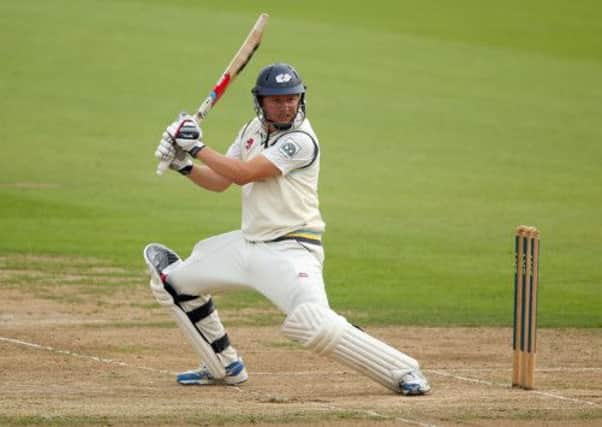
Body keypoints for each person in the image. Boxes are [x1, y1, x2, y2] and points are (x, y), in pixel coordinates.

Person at [144, 63, 431, 395]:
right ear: (261, 102)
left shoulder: (301, 140)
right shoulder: (252, 128)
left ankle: (402, 370)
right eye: (277, 100)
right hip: (248, 245)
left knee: (313, 322)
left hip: (292, 251)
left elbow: (244, 174)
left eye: (292, 98)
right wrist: (184, 165)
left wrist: (196, 146)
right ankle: (223, 366)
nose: (286, 106)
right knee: (172, 281)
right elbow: (221, 181)